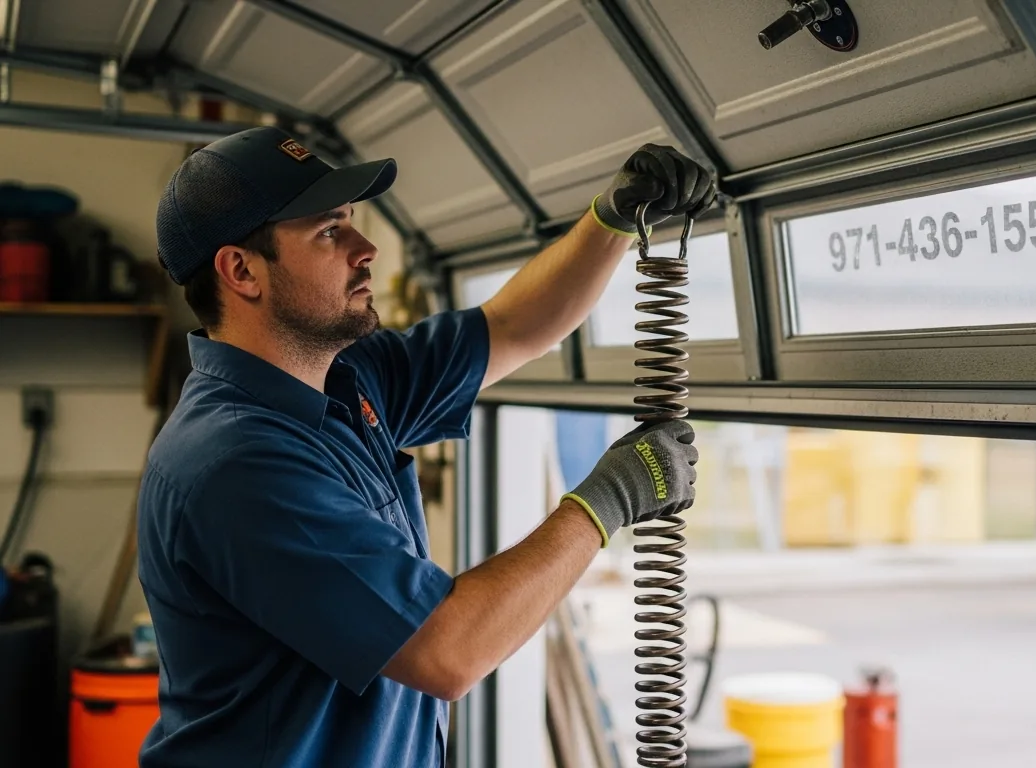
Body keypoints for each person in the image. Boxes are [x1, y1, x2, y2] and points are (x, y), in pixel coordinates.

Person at [136, 125, 713, 767]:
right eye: (329, 231)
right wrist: (609, 499)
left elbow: (514, 327)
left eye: (351, 221)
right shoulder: (237, 463)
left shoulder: (349, 378)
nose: (366, 248)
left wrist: (612, 218)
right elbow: (448, 650)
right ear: (241, 270)